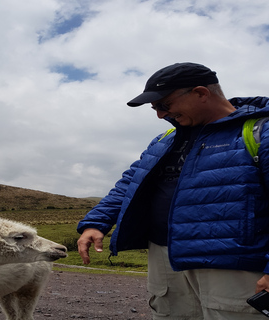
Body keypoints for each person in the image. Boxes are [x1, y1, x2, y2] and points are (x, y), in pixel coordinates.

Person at [77, 62, 269, 319]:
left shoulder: (258, 132)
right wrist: (96, 222)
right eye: (155, 108)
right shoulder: (164, 140)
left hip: (232, 260)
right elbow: (129, 184)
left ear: (201, 93)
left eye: (163, 105)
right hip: (165, 258)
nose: (159, 115)